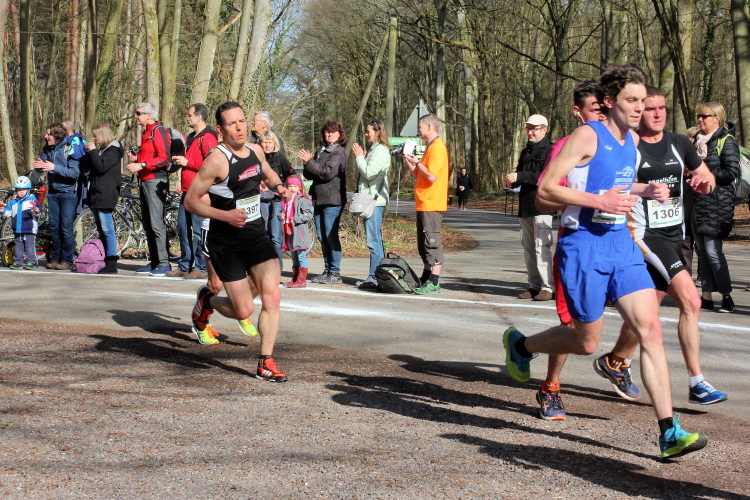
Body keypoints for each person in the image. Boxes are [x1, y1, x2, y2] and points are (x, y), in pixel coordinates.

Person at [503, 63, 707, 460]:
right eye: (632, 100)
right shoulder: (586, 136)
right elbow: (545, 190)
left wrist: (645, 189)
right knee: (586, 342)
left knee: (650, 328)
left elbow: (617, 184)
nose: (640, 107)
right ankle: (522, 345)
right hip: (584, 247)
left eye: (643, 100)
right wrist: (599, 201)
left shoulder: (631, 141)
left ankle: (669, 431)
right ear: (610, 102)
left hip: (621, 244)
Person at [590, 87, 727, 407]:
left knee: (647, 311)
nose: (658, 114)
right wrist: (644, 190)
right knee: (691, 301)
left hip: (676, 236)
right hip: (644, 236)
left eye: (662, 108)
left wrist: (703, 183)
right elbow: (610, 185)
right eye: (651, 109)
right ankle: (697, 382)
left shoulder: (680, 143)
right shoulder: (628, 146)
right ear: (639, 112)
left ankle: (615, 361)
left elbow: (707, 177)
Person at [184, 101, 289, 381]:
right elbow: (191, 201)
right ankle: (207, 300)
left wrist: (280, 187)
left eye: (242, 121)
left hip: (255, 235)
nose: (240, 127)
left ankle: (266, 362)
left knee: (272, 295)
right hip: (226, 241)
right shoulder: (216, 161)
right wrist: (225, 215)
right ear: (220, 130)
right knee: (243, 309)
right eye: (232, 123)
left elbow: (267, 173)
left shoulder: (255, 150)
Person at [533, 80, 606, 421]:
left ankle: (619, 361)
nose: (603, 114)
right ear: (578, 112)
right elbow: (543, 198)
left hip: (618, 245)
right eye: (595, 109)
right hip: (577, 243)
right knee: (572, 326)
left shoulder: (622, 144)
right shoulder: (565, 146)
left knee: (645, 312)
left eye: (606, 108)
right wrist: (588, 201)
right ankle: (551, 387)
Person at [691, 102, 739, 313]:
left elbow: (731, 173)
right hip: (699, 201)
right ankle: (707, 297)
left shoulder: (726, 141)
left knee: (713, 252)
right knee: (702, 252)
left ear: (717, 118)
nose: (700, 119)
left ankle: (727, 297)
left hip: (718, 203)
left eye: (704, 116)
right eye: (699, 116)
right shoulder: (697, 141)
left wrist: (705, 174)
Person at [166, 103, 219, 280]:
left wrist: (188, 163)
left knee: (198, 231)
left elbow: (212, 165)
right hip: (187, 191)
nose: (187, 118)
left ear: (199, 116)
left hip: (200, 192)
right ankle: (184, 264)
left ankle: (201, 266)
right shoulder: (191, 137)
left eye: (190, 115)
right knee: (182, 228)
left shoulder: (208, 138)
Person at [506, 114, 554, 301]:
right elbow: (521, 175)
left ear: (544, 130)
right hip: (525, 205)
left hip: (542, 205)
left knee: (542, 247)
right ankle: (534, 286)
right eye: (528, 128)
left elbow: (546, 176)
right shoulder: (525, 151)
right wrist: (513, 181)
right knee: (528, 248)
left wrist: (520, 176)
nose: (530, 132)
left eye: (534, 128)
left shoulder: (551, 150)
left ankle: (548, 287)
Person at [402, 114, 450, 295]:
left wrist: (417, 162)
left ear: (429, 127)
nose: (418, 130)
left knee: (432, 242)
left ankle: (434, 282)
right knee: (423, 244)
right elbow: (420, 174)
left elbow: (432, 176)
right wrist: (410, 161)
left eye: (420, 126)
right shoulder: (430, 147)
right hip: (423, 203)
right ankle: (426, 276)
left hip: (432, 203)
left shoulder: (437, 148)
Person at [126, 102, 172, 276]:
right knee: (148, 224)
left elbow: (164, 159)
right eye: (136, 113)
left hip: (155, 181)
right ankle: (154, 262)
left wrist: (142, 165)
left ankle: (164, 263)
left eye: (139, 113)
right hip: (144, 181)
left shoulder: (158, 131)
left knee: (156, 223)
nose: (136, 116)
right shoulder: (146, 133)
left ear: (149, 115)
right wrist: (136, 158)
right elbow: (149, 157)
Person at [299, 120, 347, 284]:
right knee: (321, 236)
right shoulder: (321, 151)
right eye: (327, 131)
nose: (329, 134)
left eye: (333, 131)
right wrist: (307, 162)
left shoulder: (337, 152)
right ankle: (327, 271)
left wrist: (310, 161)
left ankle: (335, 272)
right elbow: (310, 174)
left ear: (339, 134)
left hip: (333, 200)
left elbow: (326, 173)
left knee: (330, 236)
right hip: (319, 198)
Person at [33, 123, 80, 271]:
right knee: (54, 227)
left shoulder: (70, 148)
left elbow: (74, 173)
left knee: (65, 228)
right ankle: (55, 258)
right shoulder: (47, 148)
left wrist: (54, 168)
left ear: (57, 136)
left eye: (49, 134)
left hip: (68, 193)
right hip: (53, 193)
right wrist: (39, 166)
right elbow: (42, 165)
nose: (45, 136)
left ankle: (67, 259)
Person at [352, 119, 391, 290]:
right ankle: (377, 276)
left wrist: (360, 157)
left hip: (374, 202)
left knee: (374, 241)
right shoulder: (376, 149)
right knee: (376, 240)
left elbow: (369, 173)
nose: (366, 134)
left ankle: (374, 277)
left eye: (369, 131)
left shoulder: (380, 150)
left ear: (378, 132)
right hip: (372, 201)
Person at [82, 123, 124, 274]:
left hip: (106, 194)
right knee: (101, 229)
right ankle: (103, 257)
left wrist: (93, 151)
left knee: (107, 229)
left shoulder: (113, 151)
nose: (94, 138)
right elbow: (88, 168)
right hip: (96, 194)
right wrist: (88, 153)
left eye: (96, 136)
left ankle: (111, 261)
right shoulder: (101, 151)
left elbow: (101, 167)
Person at [258, 130, 294, 271]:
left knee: (275, 236)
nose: (267, 145)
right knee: (262, 235)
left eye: (269, 142)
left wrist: (283, 188)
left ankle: (277, 268)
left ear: (274, 144)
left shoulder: (280, 158)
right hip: (261, 200)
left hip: (277, 201)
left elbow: (292, 176)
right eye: (264, 142)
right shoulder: (256, 158)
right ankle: (263, 268)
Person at [280, 176, 314, 288]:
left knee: (301, 255)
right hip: (289, 230)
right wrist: (282, 215)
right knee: (294, 255)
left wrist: (296, 219)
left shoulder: (302, 199)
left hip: (299, 232)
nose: (292, 188)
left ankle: (301, 280)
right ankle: (295, 278)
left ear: (299, 187)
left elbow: (309, 214)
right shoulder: (286, 200)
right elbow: (283, 211)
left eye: (294, 186)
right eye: (290, 186)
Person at [1, 176, 40, 269]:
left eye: (23, 190)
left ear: (28, 190)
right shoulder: (13, 202)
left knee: (29, 246)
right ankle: (18, 262)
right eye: (19, 190)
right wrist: (2, 210)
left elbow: (38, 212)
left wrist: (37, 210)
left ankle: (31, 261)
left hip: (29, 229)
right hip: (17, 229)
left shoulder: (32, 201)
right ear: (16, 190)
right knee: (18, 246)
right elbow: (8, 213)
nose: (21, 192)